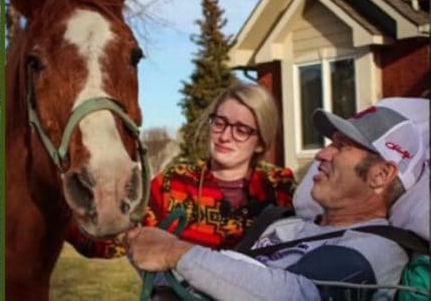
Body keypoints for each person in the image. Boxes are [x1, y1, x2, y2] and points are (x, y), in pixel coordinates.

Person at [125, 101, 427, 300]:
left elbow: (298, 294)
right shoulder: (286, 227)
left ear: (381, 174)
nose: (321, 154)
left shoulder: (376, 248)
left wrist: (176, 253)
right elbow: (228, 282)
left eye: (342, 147)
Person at [67, 83, 295, 290]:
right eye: (220, 123)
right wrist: (63, 209)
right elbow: (111, 240)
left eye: (241, 129)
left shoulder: (278, 188)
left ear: (261, 142)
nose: (225, 136)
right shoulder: (174, 183)